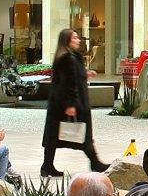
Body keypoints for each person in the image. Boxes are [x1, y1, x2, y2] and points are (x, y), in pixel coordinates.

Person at [42, 27, 105, 178]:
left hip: (60, 104)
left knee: (55, 136)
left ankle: (47, 166)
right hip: (68, 103)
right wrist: (70, 104)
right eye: (74, 38)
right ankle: (95, 163)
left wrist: (85, 73)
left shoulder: (69, 56)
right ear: (67, 41)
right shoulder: (67, 58)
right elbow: (67, 82)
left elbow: (72, 76)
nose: (78, 40)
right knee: (81, 134)